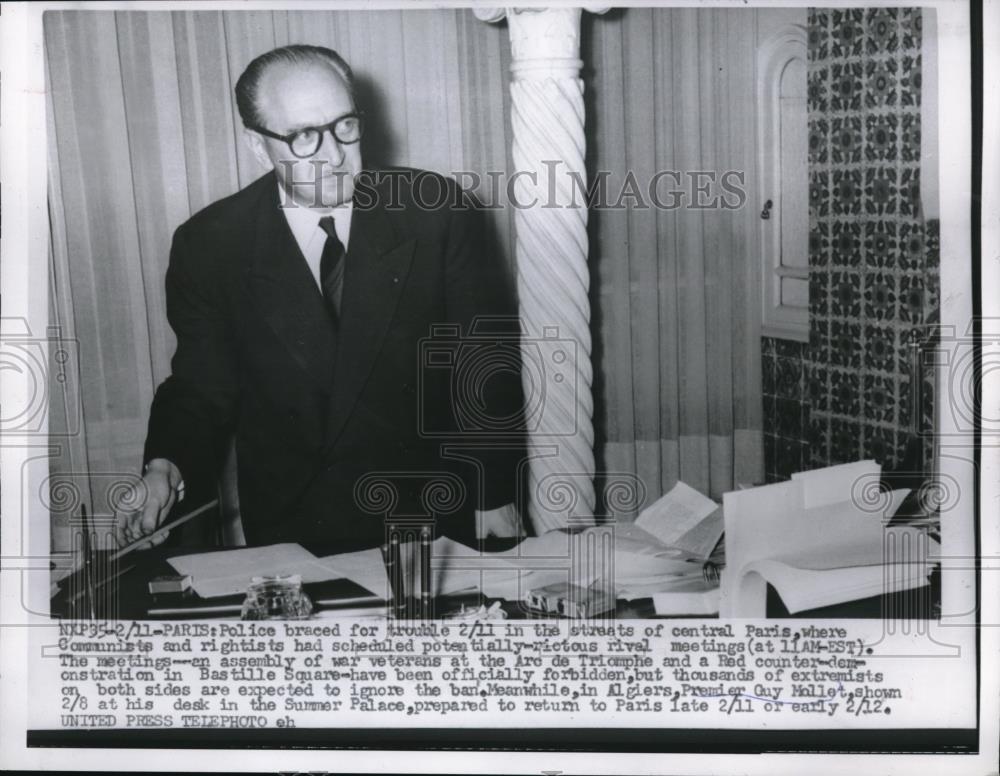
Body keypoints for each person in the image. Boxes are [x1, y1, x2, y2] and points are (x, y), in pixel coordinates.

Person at [117, 44, 524, 553]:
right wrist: (163, 466)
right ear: (259, 147)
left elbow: (484, 365)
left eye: (345, 126)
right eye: (305, 136)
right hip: (299, 526)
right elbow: (202, 382)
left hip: (436, 517)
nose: (333, 154)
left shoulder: (437, 212)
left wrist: (495, 493)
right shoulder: (211, 244)